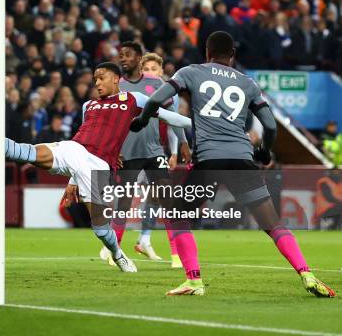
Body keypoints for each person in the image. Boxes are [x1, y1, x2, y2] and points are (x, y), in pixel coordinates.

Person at [130, 31, 335, 297]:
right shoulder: (247, 82)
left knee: (179, 216)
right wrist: (264, 151)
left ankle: (193, 281)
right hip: (241, 158)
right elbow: (270, 125)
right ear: (233, 55)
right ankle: (307, 273)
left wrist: (143, 119)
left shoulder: (191, 71)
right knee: (273, 224)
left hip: (209, 159)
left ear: (207, 52)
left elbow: (157, 99)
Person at [0, 62, 192, 273]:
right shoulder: (89, 105)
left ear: (116, 79)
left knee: (101, 229)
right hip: (73, 149)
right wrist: (71, 181)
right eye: (95, 79)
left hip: (98, 166)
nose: (96, 83)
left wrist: (201, 124)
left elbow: (172, 118)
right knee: (26, 152)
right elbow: (86, 139)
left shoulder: (135, 99)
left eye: (101, 78)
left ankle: (117, 253)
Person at [100, 43, 190, 267]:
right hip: (126, 152)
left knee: (167, 200)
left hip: (153, 150)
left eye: (127, 55)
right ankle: (115, 250)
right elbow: (105, 121)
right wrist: (111, 150)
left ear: (139, 59)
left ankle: (177, 254)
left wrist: (184, 142)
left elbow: (171, 116)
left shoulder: (157, 84)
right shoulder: (115, 85)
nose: (123, 59)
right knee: (124, 203)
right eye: (120, 55)